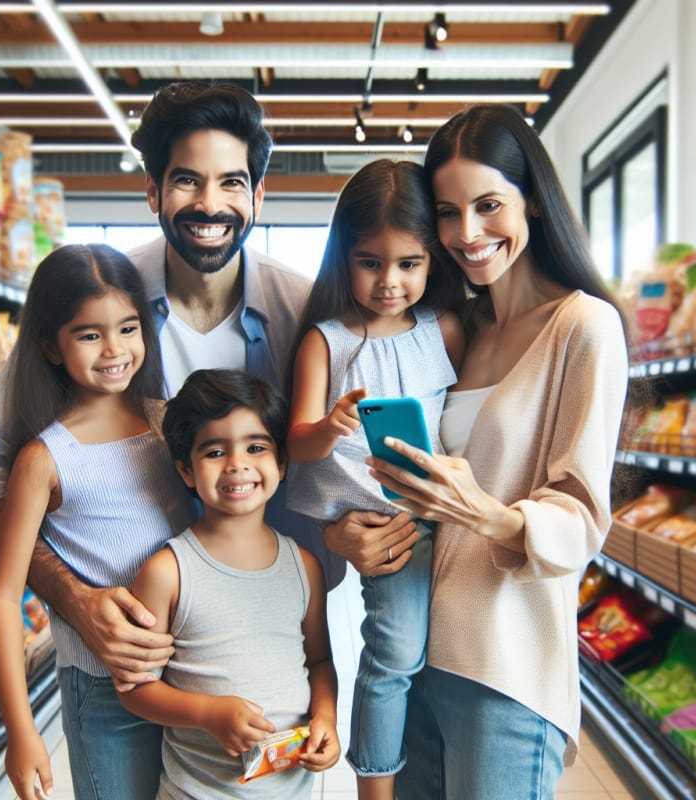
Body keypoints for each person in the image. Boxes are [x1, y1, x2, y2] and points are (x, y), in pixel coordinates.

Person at [0, 81, 351, 695]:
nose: (210, 204)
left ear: (260, 194)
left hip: (266, 638)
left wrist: (347, 526)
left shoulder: (305, 311)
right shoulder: (103, 298)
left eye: (232, 183)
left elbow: (338, 452)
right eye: (187, 180)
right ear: (152, 191)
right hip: (126, 652)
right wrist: (75, 597)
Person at [327, 104, 630, 799]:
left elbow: (582, 516)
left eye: (489, 204)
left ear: (531, 200)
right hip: (415, 657)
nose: (468, 233)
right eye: (447, 212)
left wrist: (485, 512)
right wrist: (346, 531)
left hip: (506, 666)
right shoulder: (453, 330)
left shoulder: (582, 327)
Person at [0, 244, 197, 800]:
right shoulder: (44, 459)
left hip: (193, 672)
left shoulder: (169, 423)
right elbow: (3, 597)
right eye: (88, 335)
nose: (114, 350)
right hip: (103, 689)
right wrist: (21, 730)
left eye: (128, 328)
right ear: (52, 347)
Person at [285, 159, 463, 800]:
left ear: (431, 260)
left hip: (452, 513)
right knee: (392, 656)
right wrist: (331, 425)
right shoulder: (325, 343)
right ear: (344, 258)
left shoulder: (442, 331)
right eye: (371, 262)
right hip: (384, 523)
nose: (390, 282)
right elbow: (298, 444)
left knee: (430, 662)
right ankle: (374, 789)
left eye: (409, 264)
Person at [119, 368, 340, 799]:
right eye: (215, 452)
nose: (237, 464)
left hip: (291, 790)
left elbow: (319, 662)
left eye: (255, 447)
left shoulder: (305, 567)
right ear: (186, 471)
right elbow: (134, 690)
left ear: (280, 463)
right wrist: (207, 713)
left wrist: (326, 719)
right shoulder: (167, 572)